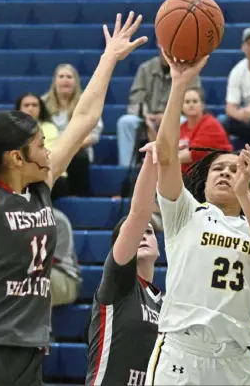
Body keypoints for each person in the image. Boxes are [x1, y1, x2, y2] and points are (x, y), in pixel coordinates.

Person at [0, 12, 147, 386]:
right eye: (40, 145)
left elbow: (83, 117)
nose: (48, 152)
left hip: (29, 347)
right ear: (17, 157)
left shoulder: (41, 183)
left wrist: (108, 58)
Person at [144, 51, 250, 386]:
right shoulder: (186, 212)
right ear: (203, 181)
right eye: (217, 169)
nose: (225, 173)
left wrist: (244, 195)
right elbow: (165, 157)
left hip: (234, 359)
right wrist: (180, 83)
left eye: (234, 169)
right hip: (182, 350)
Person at [86, 145, 161, 386]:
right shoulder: (119, 283)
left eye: (149, 232)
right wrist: (153, 161)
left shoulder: (164, 302)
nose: (142, 235)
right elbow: (139, 214)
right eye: (137, 232)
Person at [117, 46, 201, 167]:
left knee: (183, 121)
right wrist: (145, 116)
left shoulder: (189, 70)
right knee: (125, 122)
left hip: (175, 117)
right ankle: (126, 168)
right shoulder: (145, 68)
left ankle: (175, 165)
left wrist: (169, 116)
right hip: (146, 117)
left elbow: (193, 100)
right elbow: (135, 97)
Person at [42, 63, 104, 196]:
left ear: (76, 82)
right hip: (48, 150)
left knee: (78, 157)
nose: (65, 80)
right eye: (61, 76)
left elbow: (94, 134)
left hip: (76, 150)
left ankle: (76, 196)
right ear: (55, 81)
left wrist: (67, 146)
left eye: (69, 77)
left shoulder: (85, 102)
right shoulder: (43, 103)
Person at [15, 92, 69, 200]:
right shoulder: (12, 128)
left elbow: (49, 154)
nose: (30, 108)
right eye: (26, 105)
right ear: (19, 108)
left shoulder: (50, 128)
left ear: (41, 108)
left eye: (34, 105)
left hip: (51, 173)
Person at [179, 87, 233, 173]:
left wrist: (167, 159)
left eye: (195, 101)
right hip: (190, 175)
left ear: (202, 105)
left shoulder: (210, 124)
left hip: (215, 173)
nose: (191, 105)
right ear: (181, 107)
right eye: (187, 102)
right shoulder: (182, 128)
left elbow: (192, 154)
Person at [49, 208, 82, 340]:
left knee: (38, 278)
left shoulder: (57, 219)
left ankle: (43, 335)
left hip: (66, 277)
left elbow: (48, 260)